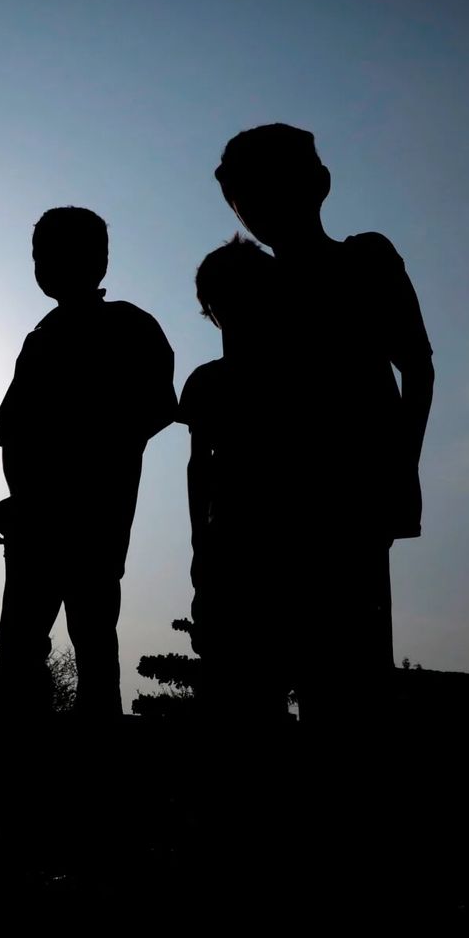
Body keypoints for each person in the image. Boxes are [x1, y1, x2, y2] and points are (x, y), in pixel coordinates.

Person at [213, 123, 434, 729]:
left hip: (351, 496)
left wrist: (398, 469)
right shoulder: (253, 289)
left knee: (348, 682)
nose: (253, 208)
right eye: (240, 197)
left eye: (262, 188)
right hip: (273, 507)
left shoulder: (363, 259)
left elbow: (416, 367)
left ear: (318, 184)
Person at [0, 207, 176, 729]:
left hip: (92, 519)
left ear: (100, 259)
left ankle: (90, 763)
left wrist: (48, 490)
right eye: (39, 255)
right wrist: (19, 499)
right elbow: (10, 431)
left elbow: (147, 414)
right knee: (22, 644)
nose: (45, 265)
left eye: (57, 252)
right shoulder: (40, 337)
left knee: (90, 641)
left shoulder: (129, 327)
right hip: (33, 520)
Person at [177, 235, 293, 723]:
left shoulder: (297, 374)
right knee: (233, 694)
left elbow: (198, 472)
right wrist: (202, 556)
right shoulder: (207, 381)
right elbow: (197, 472)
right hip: (227, 550)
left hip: (287, 546)